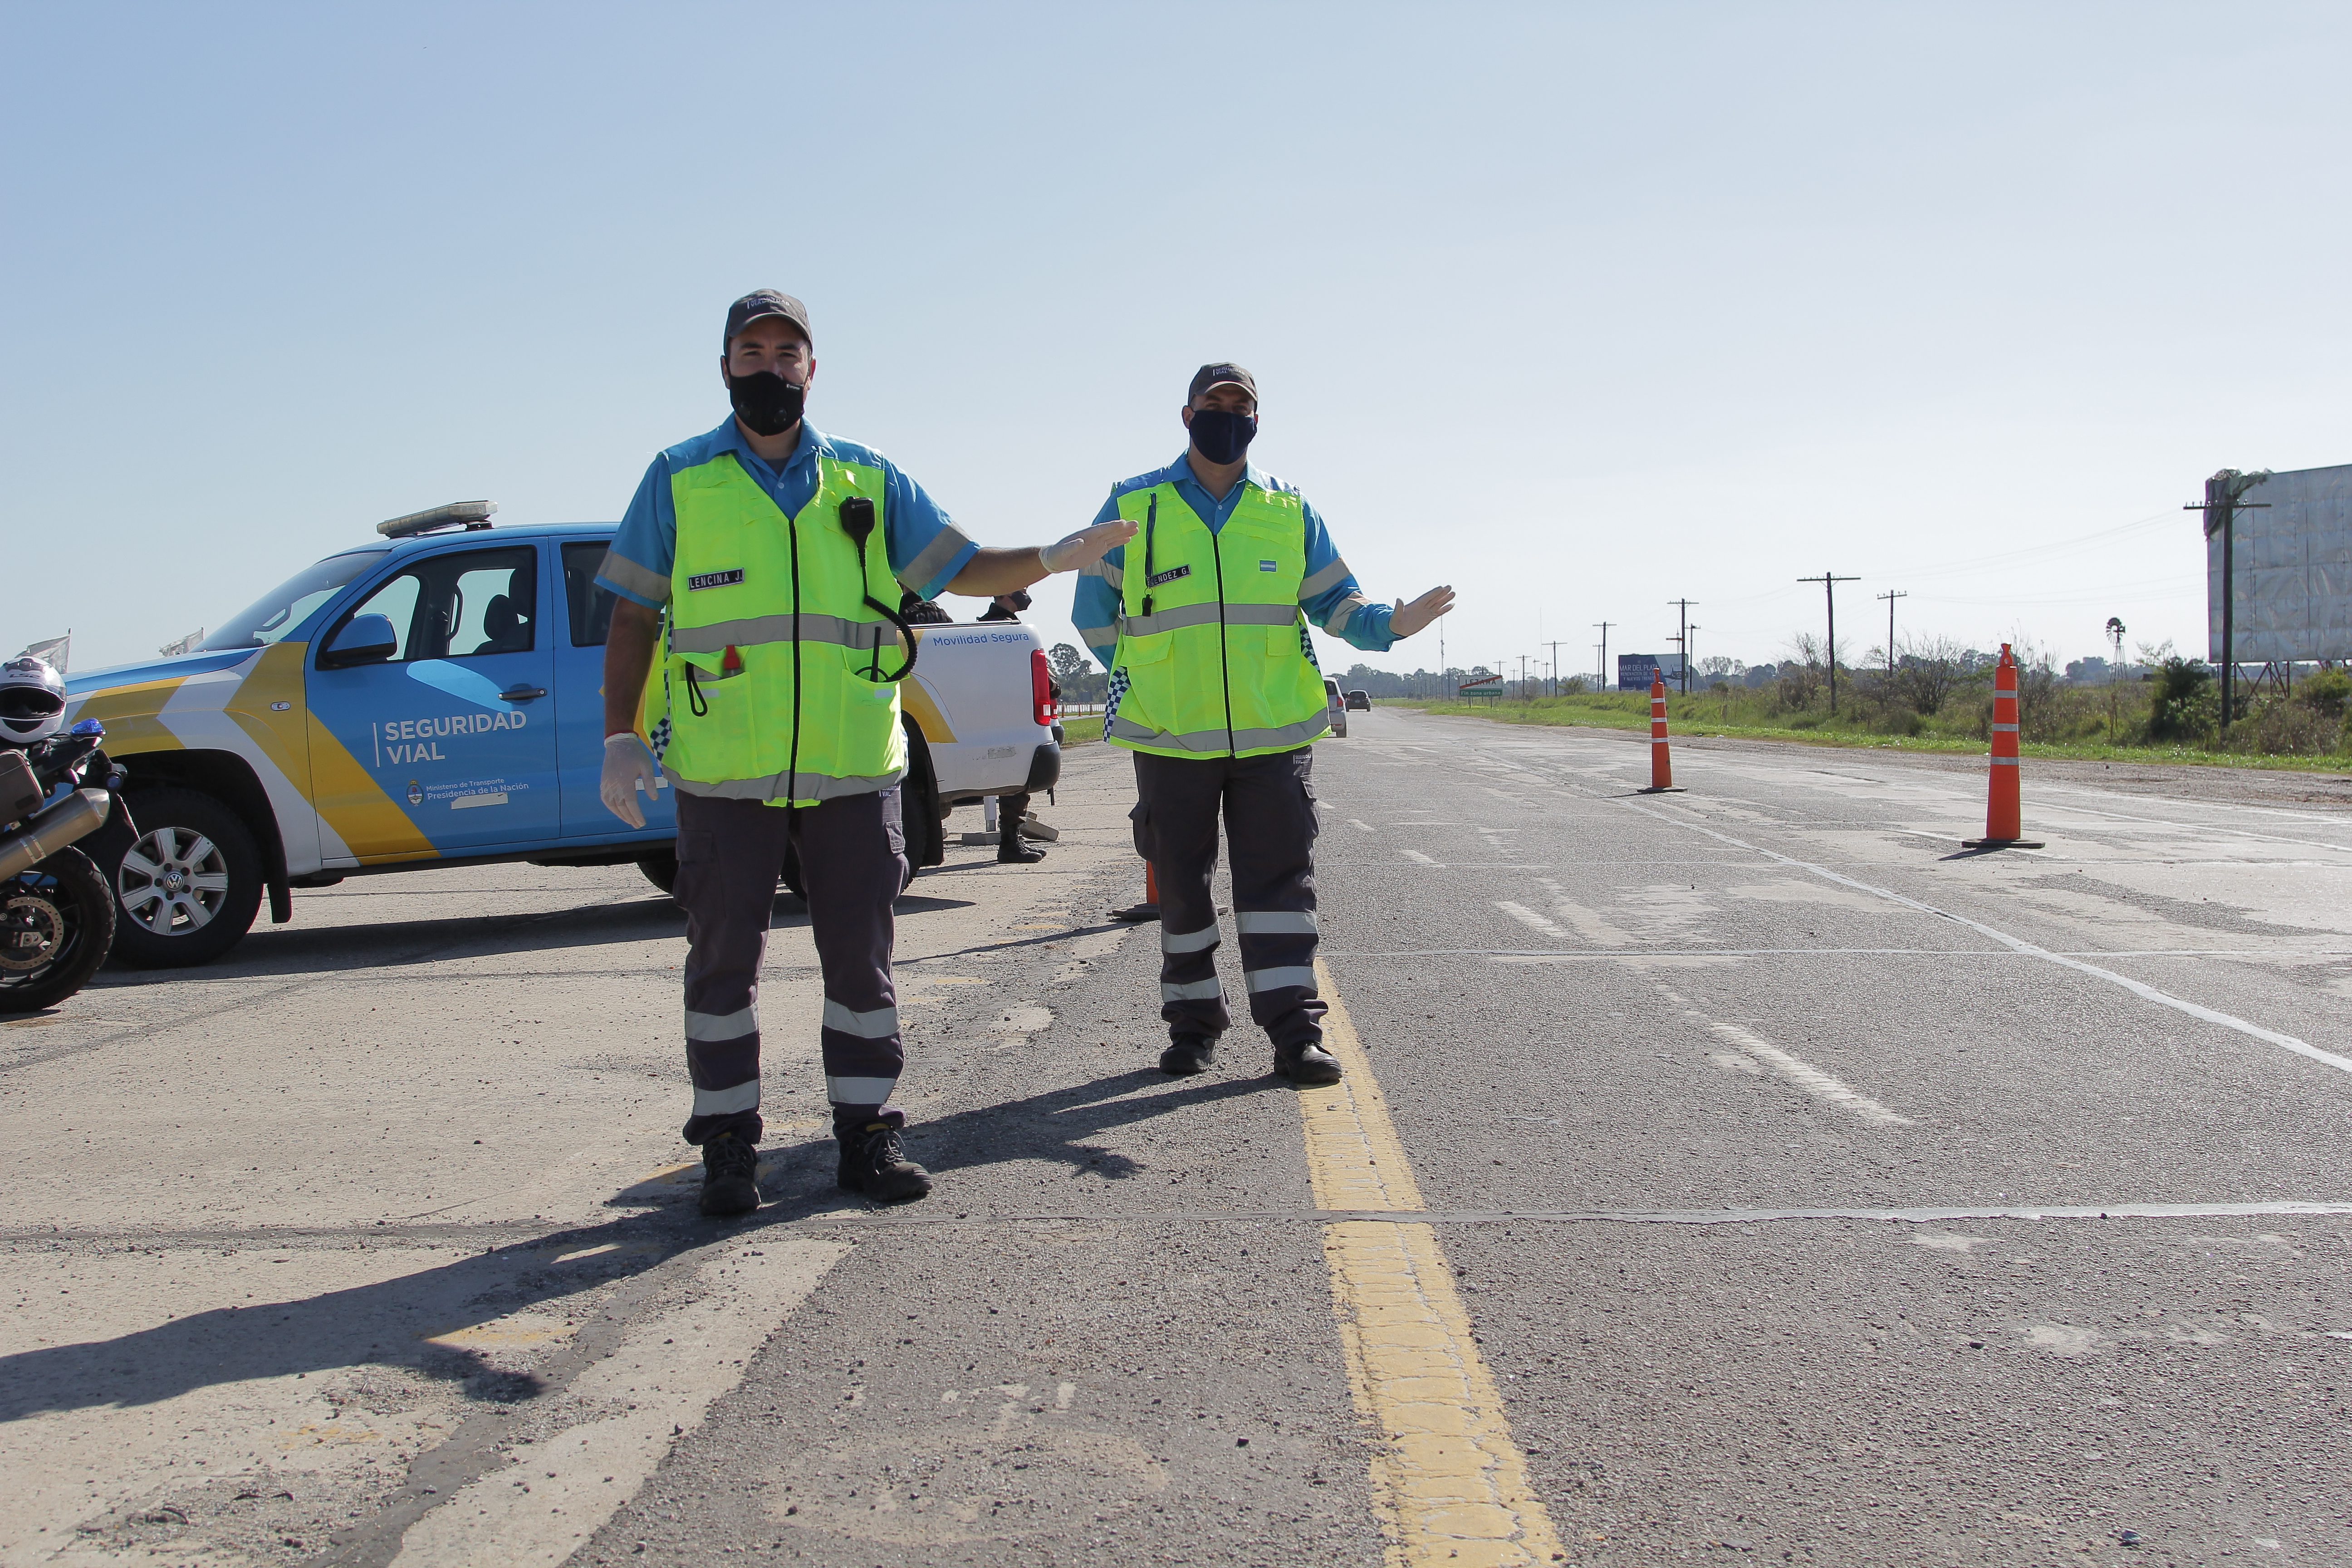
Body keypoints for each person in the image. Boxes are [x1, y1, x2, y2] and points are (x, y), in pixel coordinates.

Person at [595, 290, 1132, 1215]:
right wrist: (619, 735)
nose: (770, 366)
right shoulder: (679, 478)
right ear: (726, 366)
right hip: (726, 772)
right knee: (723, 961)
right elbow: (634, 614)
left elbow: (961, 568)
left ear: (813, 366)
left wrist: (1051, 555)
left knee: (863, 962)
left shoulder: (868, 478)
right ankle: (728, 1145)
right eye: (752, 351)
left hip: (853, 765)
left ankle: (869, 1133)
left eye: (787, 351)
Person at [1071, 363, 1452, 1083]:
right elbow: (1094, 618)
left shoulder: (1288, 509)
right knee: (1181, 889)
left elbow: (1338, 604)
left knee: (1280, 892)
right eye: (1215, 403)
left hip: (1274, 736)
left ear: (1257, 418)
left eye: (1242, 404)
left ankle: (1293, 1033)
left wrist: (1392, 626)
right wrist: (1149, 679)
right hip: (1170, 737)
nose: (1229, 413)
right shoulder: (1134, 505)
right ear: (1186, 416)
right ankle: (1192, 1029)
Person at [974, 591, 1047, 863]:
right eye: (1022, 588)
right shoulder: (1010, 630)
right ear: (1005, 592)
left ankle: (1012, 839)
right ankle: (1010, 842)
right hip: (1011, 713)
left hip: (991, 712)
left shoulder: (982, 627)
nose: (1027, 594)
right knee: (1017, 782)